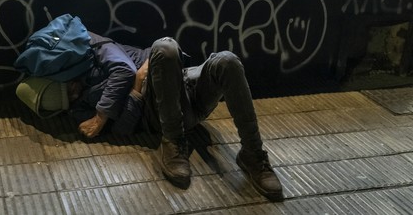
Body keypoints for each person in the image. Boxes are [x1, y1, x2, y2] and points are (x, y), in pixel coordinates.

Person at [16, 31, 284, 201]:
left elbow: (121, 68)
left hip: (187, 91)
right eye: (69, 98)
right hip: (159, 117)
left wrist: (107, 110)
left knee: (224, 60)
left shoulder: (96, 48)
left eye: (69, 87)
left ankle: (253, 153)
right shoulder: (80, 111)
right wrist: (135, 89)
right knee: (164, 48)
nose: (74, 93)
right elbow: (123, 129)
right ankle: (173, 142)